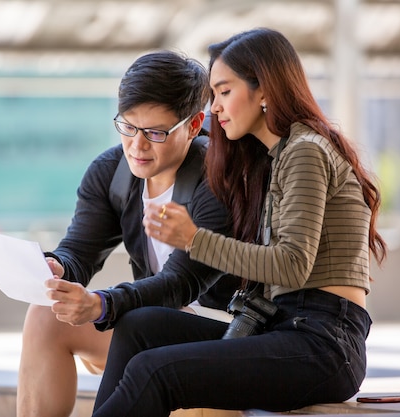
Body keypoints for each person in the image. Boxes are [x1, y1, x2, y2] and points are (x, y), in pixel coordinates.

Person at [92, 28, 388, 417]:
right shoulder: (275, 156)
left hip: (325, 342)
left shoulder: (306, 151)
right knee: (138, 326)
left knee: (157, 371)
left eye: (224, 91)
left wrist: (194, 239)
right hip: (283, 327)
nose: (214, 107)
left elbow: (293, 265)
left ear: (263, 90)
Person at [17, 51, 245, 417]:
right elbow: (79, 250)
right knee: (45, 316)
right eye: (127, 127)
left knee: (145, 323)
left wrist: (103, 304)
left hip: (221, 333)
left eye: (155, 132)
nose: (137, 146)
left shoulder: (218, 174)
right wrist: (57, 268)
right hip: (145, 327)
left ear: (193, 124)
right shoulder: (111, 172)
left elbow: (182, 282)